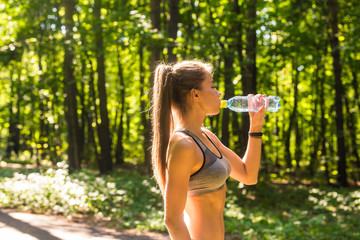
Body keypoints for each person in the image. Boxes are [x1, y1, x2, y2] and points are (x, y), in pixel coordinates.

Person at [151, 60, 265, 240]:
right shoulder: (183, 145)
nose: (218, 93)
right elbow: (172, 219)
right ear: (195, 95)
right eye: (212, 86)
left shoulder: (207, 137)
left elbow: (248, 175)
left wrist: (256, 126)